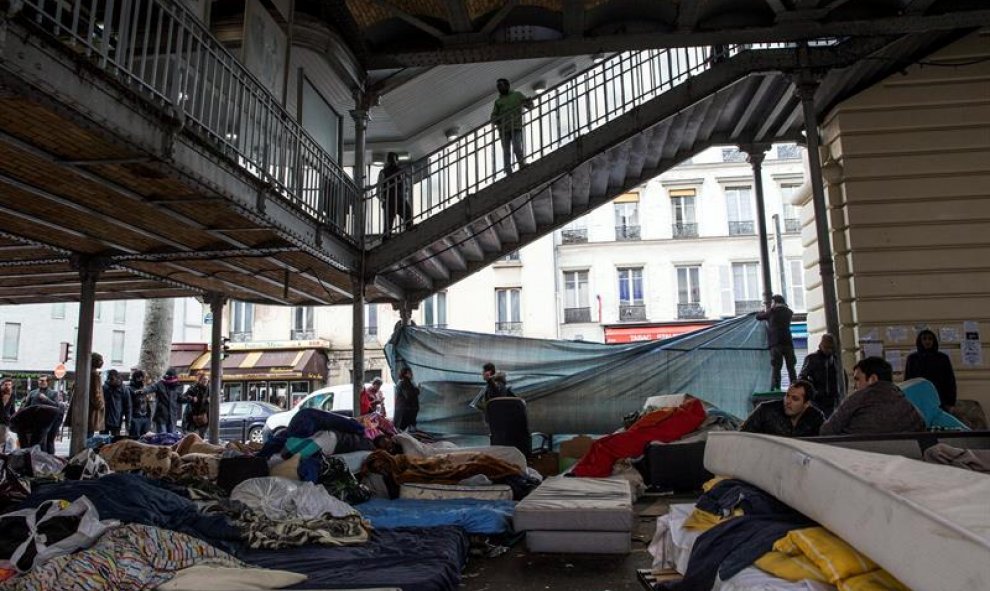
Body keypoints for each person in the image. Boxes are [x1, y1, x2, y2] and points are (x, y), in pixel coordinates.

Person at [820, 357, 925, 436]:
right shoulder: (906, 405)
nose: (855, 386)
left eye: (857, 379)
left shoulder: (857, 399)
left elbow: (826, 431)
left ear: (873, 379)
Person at [740, 380, 824, 437]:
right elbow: (743, 436)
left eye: (795, 399)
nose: (788, 401)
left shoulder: (816, 417)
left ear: (806, 404)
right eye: (787, 396)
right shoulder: (765, 410)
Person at [904, 329, 957, 409]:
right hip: (919, 399)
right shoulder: (913, 359)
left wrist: (950, 402)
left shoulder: (942, 358)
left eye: (930, 339)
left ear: (934, 341)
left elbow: (949, 381)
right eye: (924, 339)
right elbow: (908, 380)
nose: (927, 341)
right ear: (920, 341)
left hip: (940, 399)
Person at [491, 78, 534, 175]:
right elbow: (493, 117)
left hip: (515, 126)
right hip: (504, 129)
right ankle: (508, 171)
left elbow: (529, 106)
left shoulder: (517, 95)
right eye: (498, 86)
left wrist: (529, 102)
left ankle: (521, 164)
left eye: (501, 85)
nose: (499, 88)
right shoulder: (498, 102)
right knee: (506, 151)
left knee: (517, 146)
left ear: (507, 85)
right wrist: (497, 119)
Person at [799, 334, 845, 417]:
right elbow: (802, 377)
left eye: (831, 347)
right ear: (820, 346)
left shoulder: (836, 360)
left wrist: (841, 394)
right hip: (817, 399)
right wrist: (812, 392)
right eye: (826, 347)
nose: (828, 350)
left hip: (832, 399)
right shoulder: (812, 358)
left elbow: (842, 377)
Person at [757, 294, 796, 390]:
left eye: (773, 302)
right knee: (791, 367)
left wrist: (762, 311)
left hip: (776, 343)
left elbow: (759, 317)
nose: (772, 305)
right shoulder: (789, 312)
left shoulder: (772, 312)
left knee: (776, 367)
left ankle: (776, 388)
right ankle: (794, 386)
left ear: (775, 302)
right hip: (788, 342)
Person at [66, 352, 106, 438]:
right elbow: (95, 394)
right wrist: (101, 405)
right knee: (87, 438)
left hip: (79, 410)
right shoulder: (94, 375)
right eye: (100, 360)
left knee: (79, 436)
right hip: (89, 412)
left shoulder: (83, 372)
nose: (102, 362)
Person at [378, 152, 411, 238]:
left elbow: (378, 190)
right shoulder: (398, 172)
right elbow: (406, 187)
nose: (393, 162)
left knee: (407, 216)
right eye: (392, 159)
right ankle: (409, 234)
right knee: (389, 225)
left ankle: (387, 239)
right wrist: (383, 200)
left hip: (395, 200)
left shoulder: (386, 172)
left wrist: (383, 199)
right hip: (393, 200)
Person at [147, 368, 189, 434]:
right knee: (162, 438)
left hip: (172, 418)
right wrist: (143, 391)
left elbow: (180, 399)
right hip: (161, 417)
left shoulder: (176, 386)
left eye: (172, 377)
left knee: (172, 439)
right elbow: (151, 388)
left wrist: (189, 399)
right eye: (169, 377)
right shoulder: (160, 384)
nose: (170, 379)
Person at [101, 369, 131, 436]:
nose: (110, 381)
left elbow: (128, 407)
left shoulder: (124, 390)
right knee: (102, 441)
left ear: (117, 378)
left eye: (112, 379)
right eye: (109, 379)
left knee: (115, 441)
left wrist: (127, 423)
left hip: (117, 420)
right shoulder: (104, 388)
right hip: (104, 420)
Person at [183, 371, 211, 438]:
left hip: (205, 416)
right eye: (204, 379)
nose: (205, 381)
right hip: (193, 416)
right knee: (194, 436)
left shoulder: (210, 389)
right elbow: (183, 397)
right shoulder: (193, 388)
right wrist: (192, 398)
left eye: (207, 379)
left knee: (202, 435)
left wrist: (211, 400)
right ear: (199, 380)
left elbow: (218, 398)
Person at [127, 369, 153, 438]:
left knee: (145, 440)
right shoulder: (129, 389)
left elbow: (148, 404)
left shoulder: (144, 388)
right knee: (135, 440)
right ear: (136, 378)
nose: (142, 380)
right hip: (135, 418)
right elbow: (128, 405)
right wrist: (129, 420)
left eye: (143, 378)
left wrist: (149, 417)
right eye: (141, 378)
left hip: (145, 417)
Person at [1, 378, 16, 452]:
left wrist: (15, 418)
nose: (7, 386)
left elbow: (12, 409)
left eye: (9, 385)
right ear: (2, 386)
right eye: (5, 385)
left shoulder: (12, 395)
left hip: (5, 422)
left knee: (3, 441)